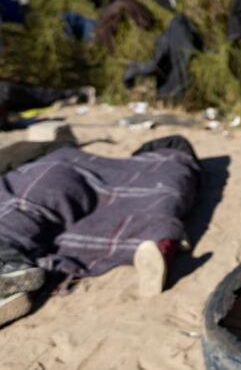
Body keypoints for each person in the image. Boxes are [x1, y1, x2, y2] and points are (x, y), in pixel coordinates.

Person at [0, 135, 199, 327]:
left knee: (22, 207)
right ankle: (161, 243)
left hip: (56, 168)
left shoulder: (51, 150)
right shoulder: (170, 164)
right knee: (154, 205)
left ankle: (11, 266)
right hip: (83, 177)